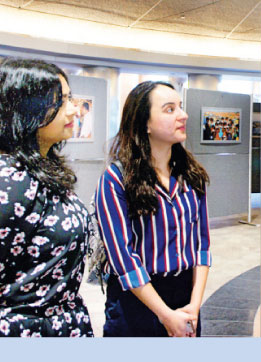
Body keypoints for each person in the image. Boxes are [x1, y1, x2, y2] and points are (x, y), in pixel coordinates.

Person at [0, 59, 99, 337]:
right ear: (26, 109)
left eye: (69, 98)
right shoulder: (5, 175)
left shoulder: (41, 166)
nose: (73, 108)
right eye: (60, 101)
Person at [94, 81, 211, 337]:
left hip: (185, 294)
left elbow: (201, 245)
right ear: (144, 122)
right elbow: (122, 258)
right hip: (137, 299)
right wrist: (165, 315)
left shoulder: (192, 176)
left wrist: (194, 306)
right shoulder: (116, 179)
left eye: (180, 107)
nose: (183, 115)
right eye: (169, 109)